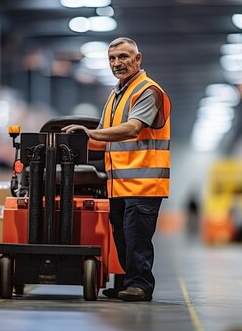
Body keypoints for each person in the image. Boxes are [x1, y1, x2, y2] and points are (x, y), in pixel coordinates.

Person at [62, 37, 171, 302]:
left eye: (123, 57)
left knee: (137, 238)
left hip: (144, 184)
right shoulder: (115, 95)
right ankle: (127, 281)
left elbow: (133, 128)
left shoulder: (147, 90)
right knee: (122, 237)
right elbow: (101, 138)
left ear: (138, 59)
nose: (117, 63)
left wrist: (91, 133)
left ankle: (141, 285)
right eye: (112, 59)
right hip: (118, 184)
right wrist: (72, 147)